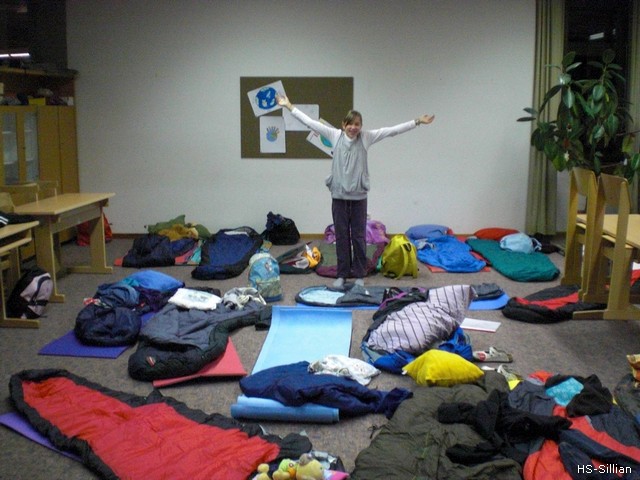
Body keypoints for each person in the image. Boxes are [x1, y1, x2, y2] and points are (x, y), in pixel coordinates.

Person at [276, 93, 435, 288]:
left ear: (361, 126)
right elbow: (310, 123)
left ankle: (359, 273)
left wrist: (417, 121)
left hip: (359, 197)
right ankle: (342, 274)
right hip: (339, 197)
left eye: (357, 124)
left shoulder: (366, 138)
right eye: (350, 124)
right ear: (343, 125)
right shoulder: (334, 136)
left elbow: (391, 131)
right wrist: (289, 106)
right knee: (342, 236)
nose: (353, 127)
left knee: (358, 237)